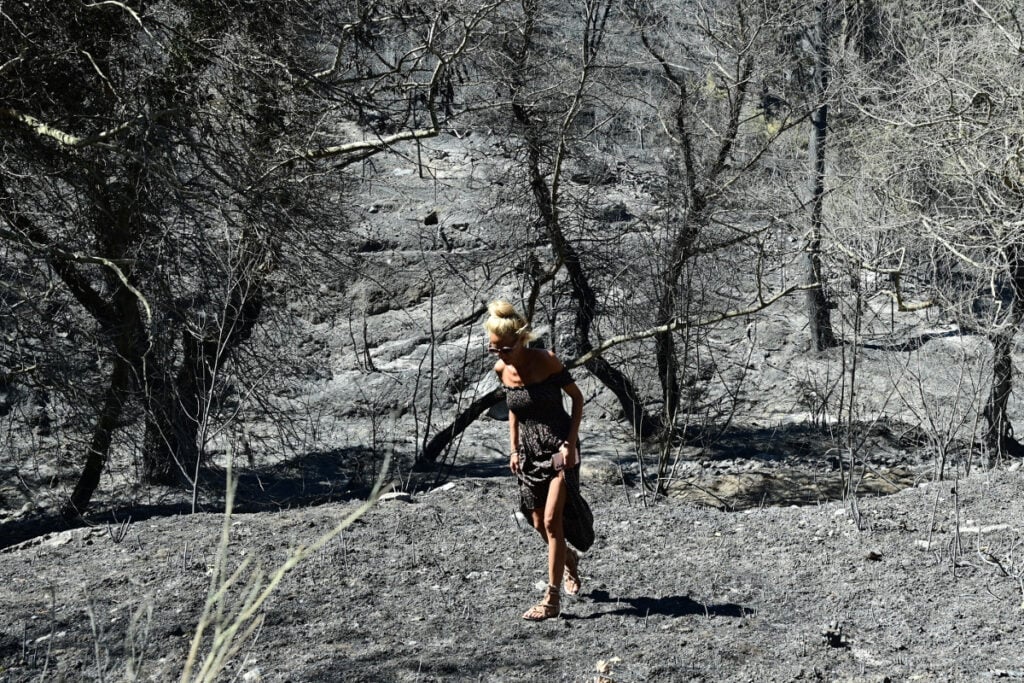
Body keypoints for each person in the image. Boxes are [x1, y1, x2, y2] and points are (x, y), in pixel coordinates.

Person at [484, 299, 586, 620]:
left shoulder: (548, 362)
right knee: (539, 523)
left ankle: (552, 600)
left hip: (559, 447)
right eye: (493, 350)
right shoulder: (502, 370)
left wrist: (570, 444)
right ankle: (567, 557)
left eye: (504, 349)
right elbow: (515, 408)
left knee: (554, 520)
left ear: (520, 340)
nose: (500, 355)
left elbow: (577, 399)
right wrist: (514, 449)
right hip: (528, 453)